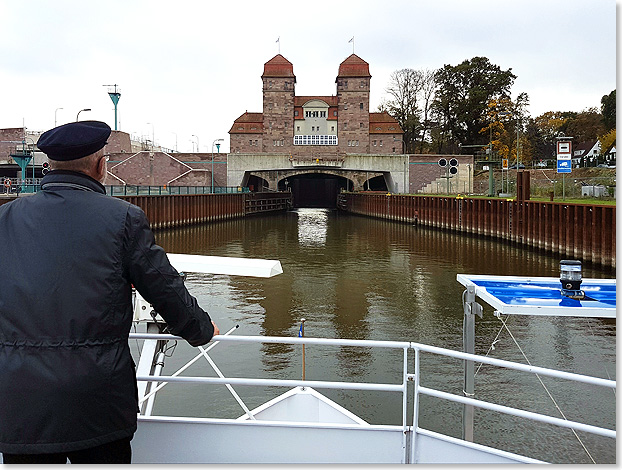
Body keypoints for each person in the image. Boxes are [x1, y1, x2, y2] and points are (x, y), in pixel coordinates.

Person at [0, 120, 219, 464]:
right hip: (97, 396)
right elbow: (163, 286)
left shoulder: (6, 218)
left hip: (19, 399)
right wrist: (201, 329)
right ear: (101, 167)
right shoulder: (123, 218)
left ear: (48, 166)